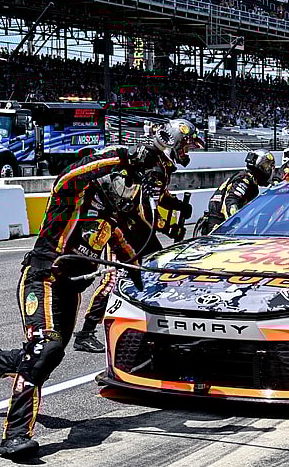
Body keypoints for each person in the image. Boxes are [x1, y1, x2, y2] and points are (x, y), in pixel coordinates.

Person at [0, 124, 200, 460]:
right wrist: (124, 157)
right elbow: (70, 173)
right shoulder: (73, 194)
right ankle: (14, 436)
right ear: (113, 177)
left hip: (70, 291)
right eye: (130, 183)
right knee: (44, 350)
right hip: (43, 277)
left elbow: (142, 260)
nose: (132, 192)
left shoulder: (114, 223)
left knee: (50, 354)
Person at [73, 119, 201, 352]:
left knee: (150, 272)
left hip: (125, 222)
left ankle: (147, 323)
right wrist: (167, 228)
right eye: (186, 146)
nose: (186, 152)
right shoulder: (152, 163)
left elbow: (156, 195)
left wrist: (176, 205)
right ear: (174, 142)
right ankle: (86, 332)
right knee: (116, 276)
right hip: (118, 223)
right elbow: (143, 207)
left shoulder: (158, 162)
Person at [195, 149, 275, 236]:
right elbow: (231, 202)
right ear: (259, 165)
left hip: (218, 223)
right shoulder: (245, 180)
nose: (269, 169)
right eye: (267, 165)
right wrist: (237, 227)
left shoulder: (247, 178)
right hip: (220, 226)